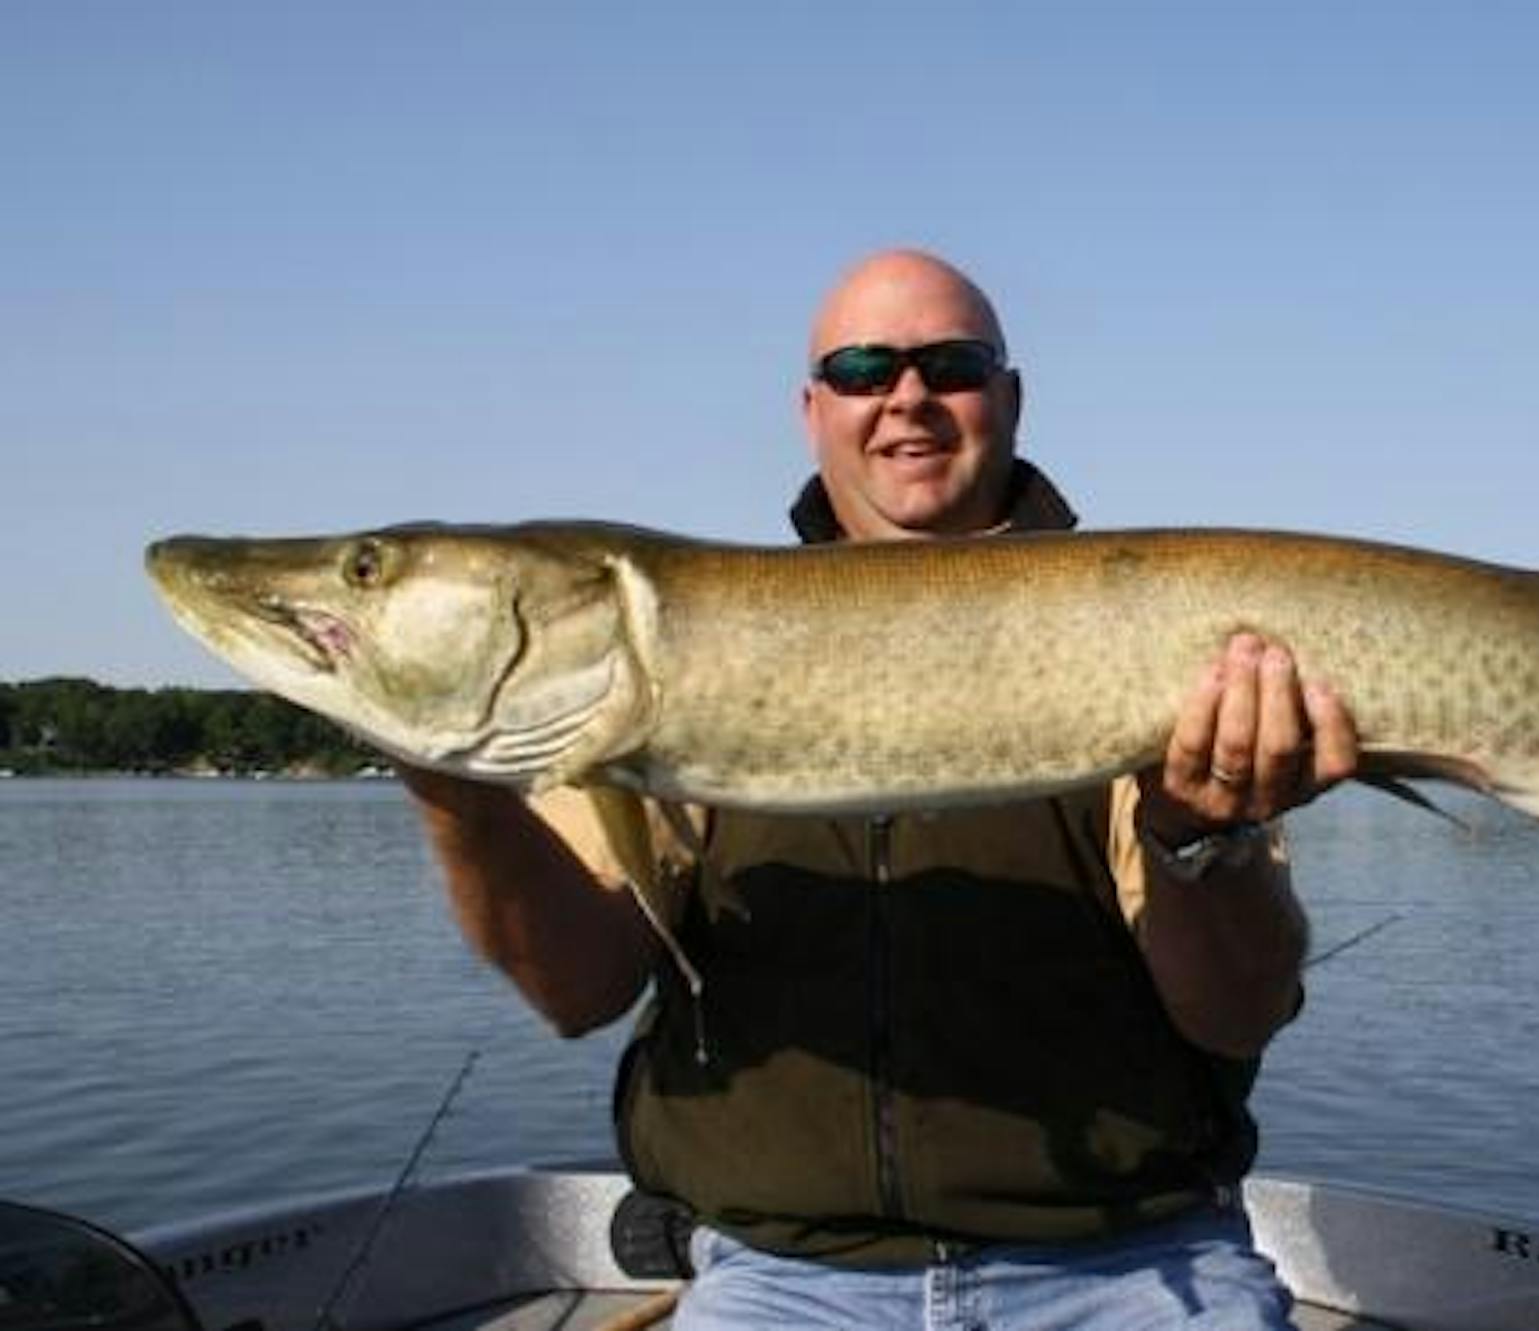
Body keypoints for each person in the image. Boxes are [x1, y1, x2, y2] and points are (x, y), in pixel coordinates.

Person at [400, 249, 1361, 1329]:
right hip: (783, 1277)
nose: (908, 395)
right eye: (863, 369)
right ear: (813, 409)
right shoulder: (670, 662)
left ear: (1009, 397)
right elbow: (578, 985)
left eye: (951, 363)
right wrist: (456, 789)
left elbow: (1236, 1011)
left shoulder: (1150, 639)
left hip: (1135, 1263)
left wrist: (1200, 836)